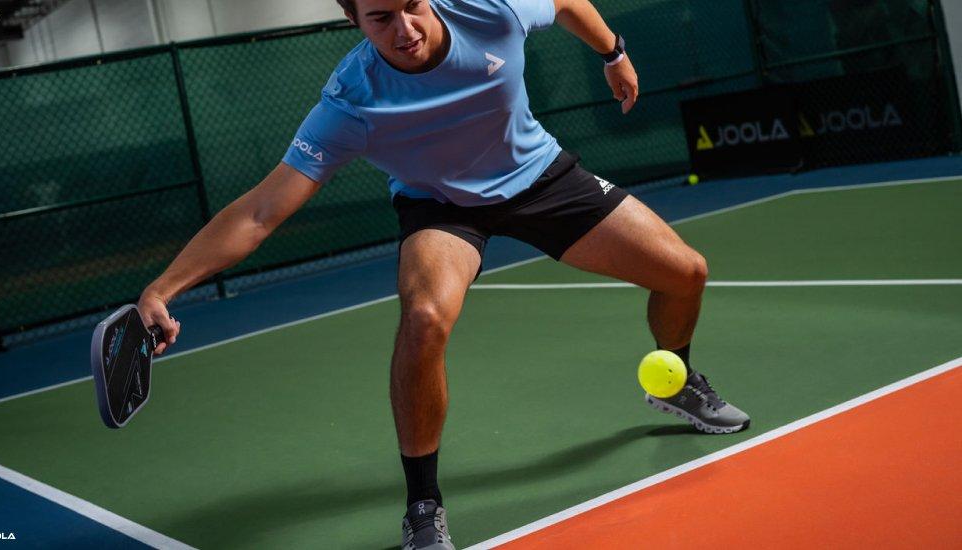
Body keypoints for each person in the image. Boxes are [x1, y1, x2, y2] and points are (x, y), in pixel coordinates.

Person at [136, 1, 750, 547]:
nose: (405, 28)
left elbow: (565, 1)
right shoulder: (351, 101)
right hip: (440, 206)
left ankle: (675, 381)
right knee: (425, 318)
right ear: (353, 22)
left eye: (412, 6)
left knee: (685, 272)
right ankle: (424, 507)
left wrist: (614, 52)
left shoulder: (492, 12)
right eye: (381, 18)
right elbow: (262, 210)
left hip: (540, 178)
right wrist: (164, 287)